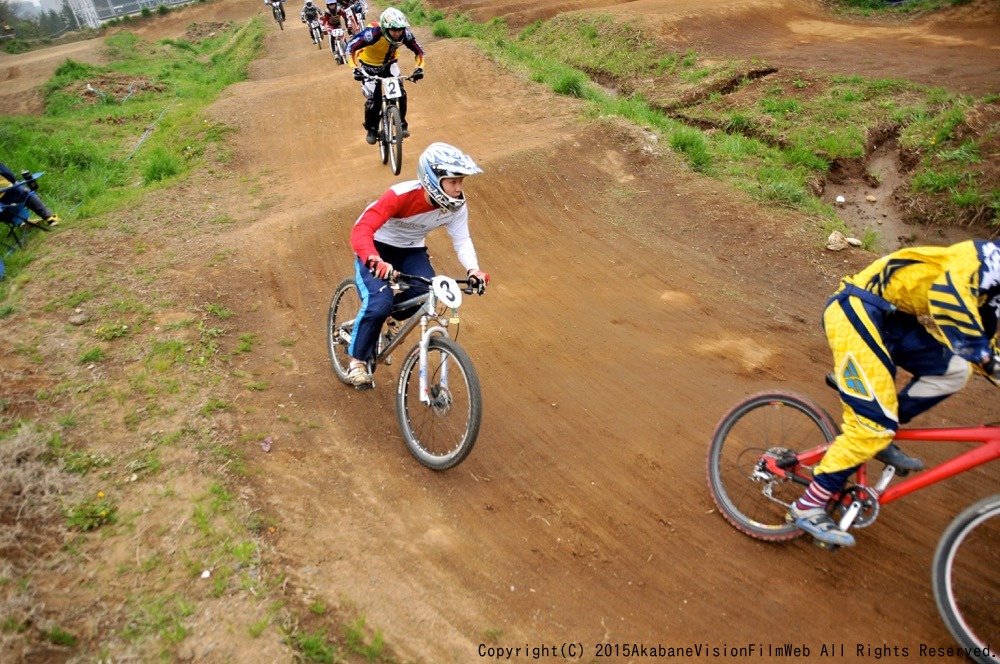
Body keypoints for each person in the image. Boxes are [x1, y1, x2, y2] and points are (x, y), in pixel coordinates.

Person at [788, 240, 1000, 547]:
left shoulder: (994, 291)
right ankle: (808, 506)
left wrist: (983, 357)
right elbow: (948, 298)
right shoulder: (988, 258)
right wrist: (980, 353)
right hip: (857, 309)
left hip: (895, 320)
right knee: (873, 426)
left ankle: (881, 428)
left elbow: (981, 346)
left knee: (954, 371)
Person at [344, 142, 490, 386]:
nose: (458, 188)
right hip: (377, 247)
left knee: (426, 293)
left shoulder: (455, 207)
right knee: (378, 303)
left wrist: (473, 270)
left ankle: (385, 319)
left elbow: (462, 240)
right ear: (433, 179)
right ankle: (357, 361)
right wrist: (373, 259)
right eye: (453, 182)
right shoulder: (401, 195)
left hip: (411, 250)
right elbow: (362, 229)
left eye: (461, 181)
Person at [346, 7, 425, 146]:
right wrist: (354, 69)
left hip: (389, 65)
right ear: (385, 28)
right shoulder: (372, 34)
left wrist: (419, 68)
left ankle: (402, 123)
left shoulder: (405, 35)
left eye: (400, 29)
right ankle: (371, 129)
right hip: (368, 67)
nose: (397, 33)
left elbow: (419, 52)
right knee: (373, 101)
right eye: (393, 30)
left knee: (400, 93)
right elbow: (350, 48)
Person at [0, 162, 59, 227]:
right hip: (12, 194)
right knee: (28, 194)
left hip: (3, 211)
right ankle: (49, 218)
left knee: (4, 208)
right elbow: (11, 177)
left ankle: (20, 222)